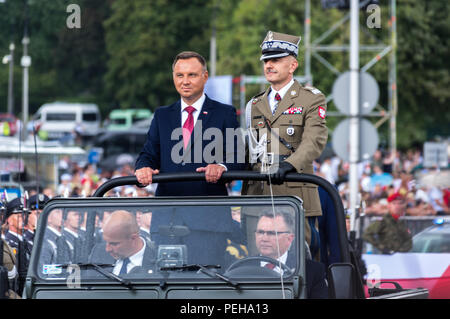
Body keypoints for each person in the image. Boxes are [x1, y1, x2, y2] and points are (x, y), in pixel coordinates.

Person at [134, 51, 245, 265]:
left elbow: (237, 156)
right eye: (179, 75)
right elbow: (149, 153)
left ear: (205, 77)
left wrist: (221, 166)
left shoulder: (225, 113)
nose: (185, 81)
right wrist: (144, 167)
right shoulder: (162, 115)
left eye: (192, 75)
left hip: (208, 223)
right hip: (167, 221)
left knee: (205, 285)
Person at [242, 31, 328, 255]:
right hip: (258, 194)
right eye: (266, 61)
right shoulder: (255, 104)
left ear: (293, 65)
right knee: (256, 262)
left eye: (276, 60)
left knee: (299, 262)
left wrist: (290, 164)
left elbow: (314, 140)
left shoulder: (310, 98)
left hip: (293, 191)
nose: (269, 65)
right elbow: (249, 148)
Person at [254, 210, 328, 299]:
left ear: (289, 238)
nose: (264, 238)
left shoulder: (311, 271)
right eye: (260, 232)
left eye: (272, 233)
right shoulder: (241, 269)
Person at [101, 210, 156, 275]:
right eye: (106, 241)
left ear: (133, 238)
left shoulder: (158, 260)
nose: (107, 249)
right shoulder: (98, 254)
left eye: (114, 244)